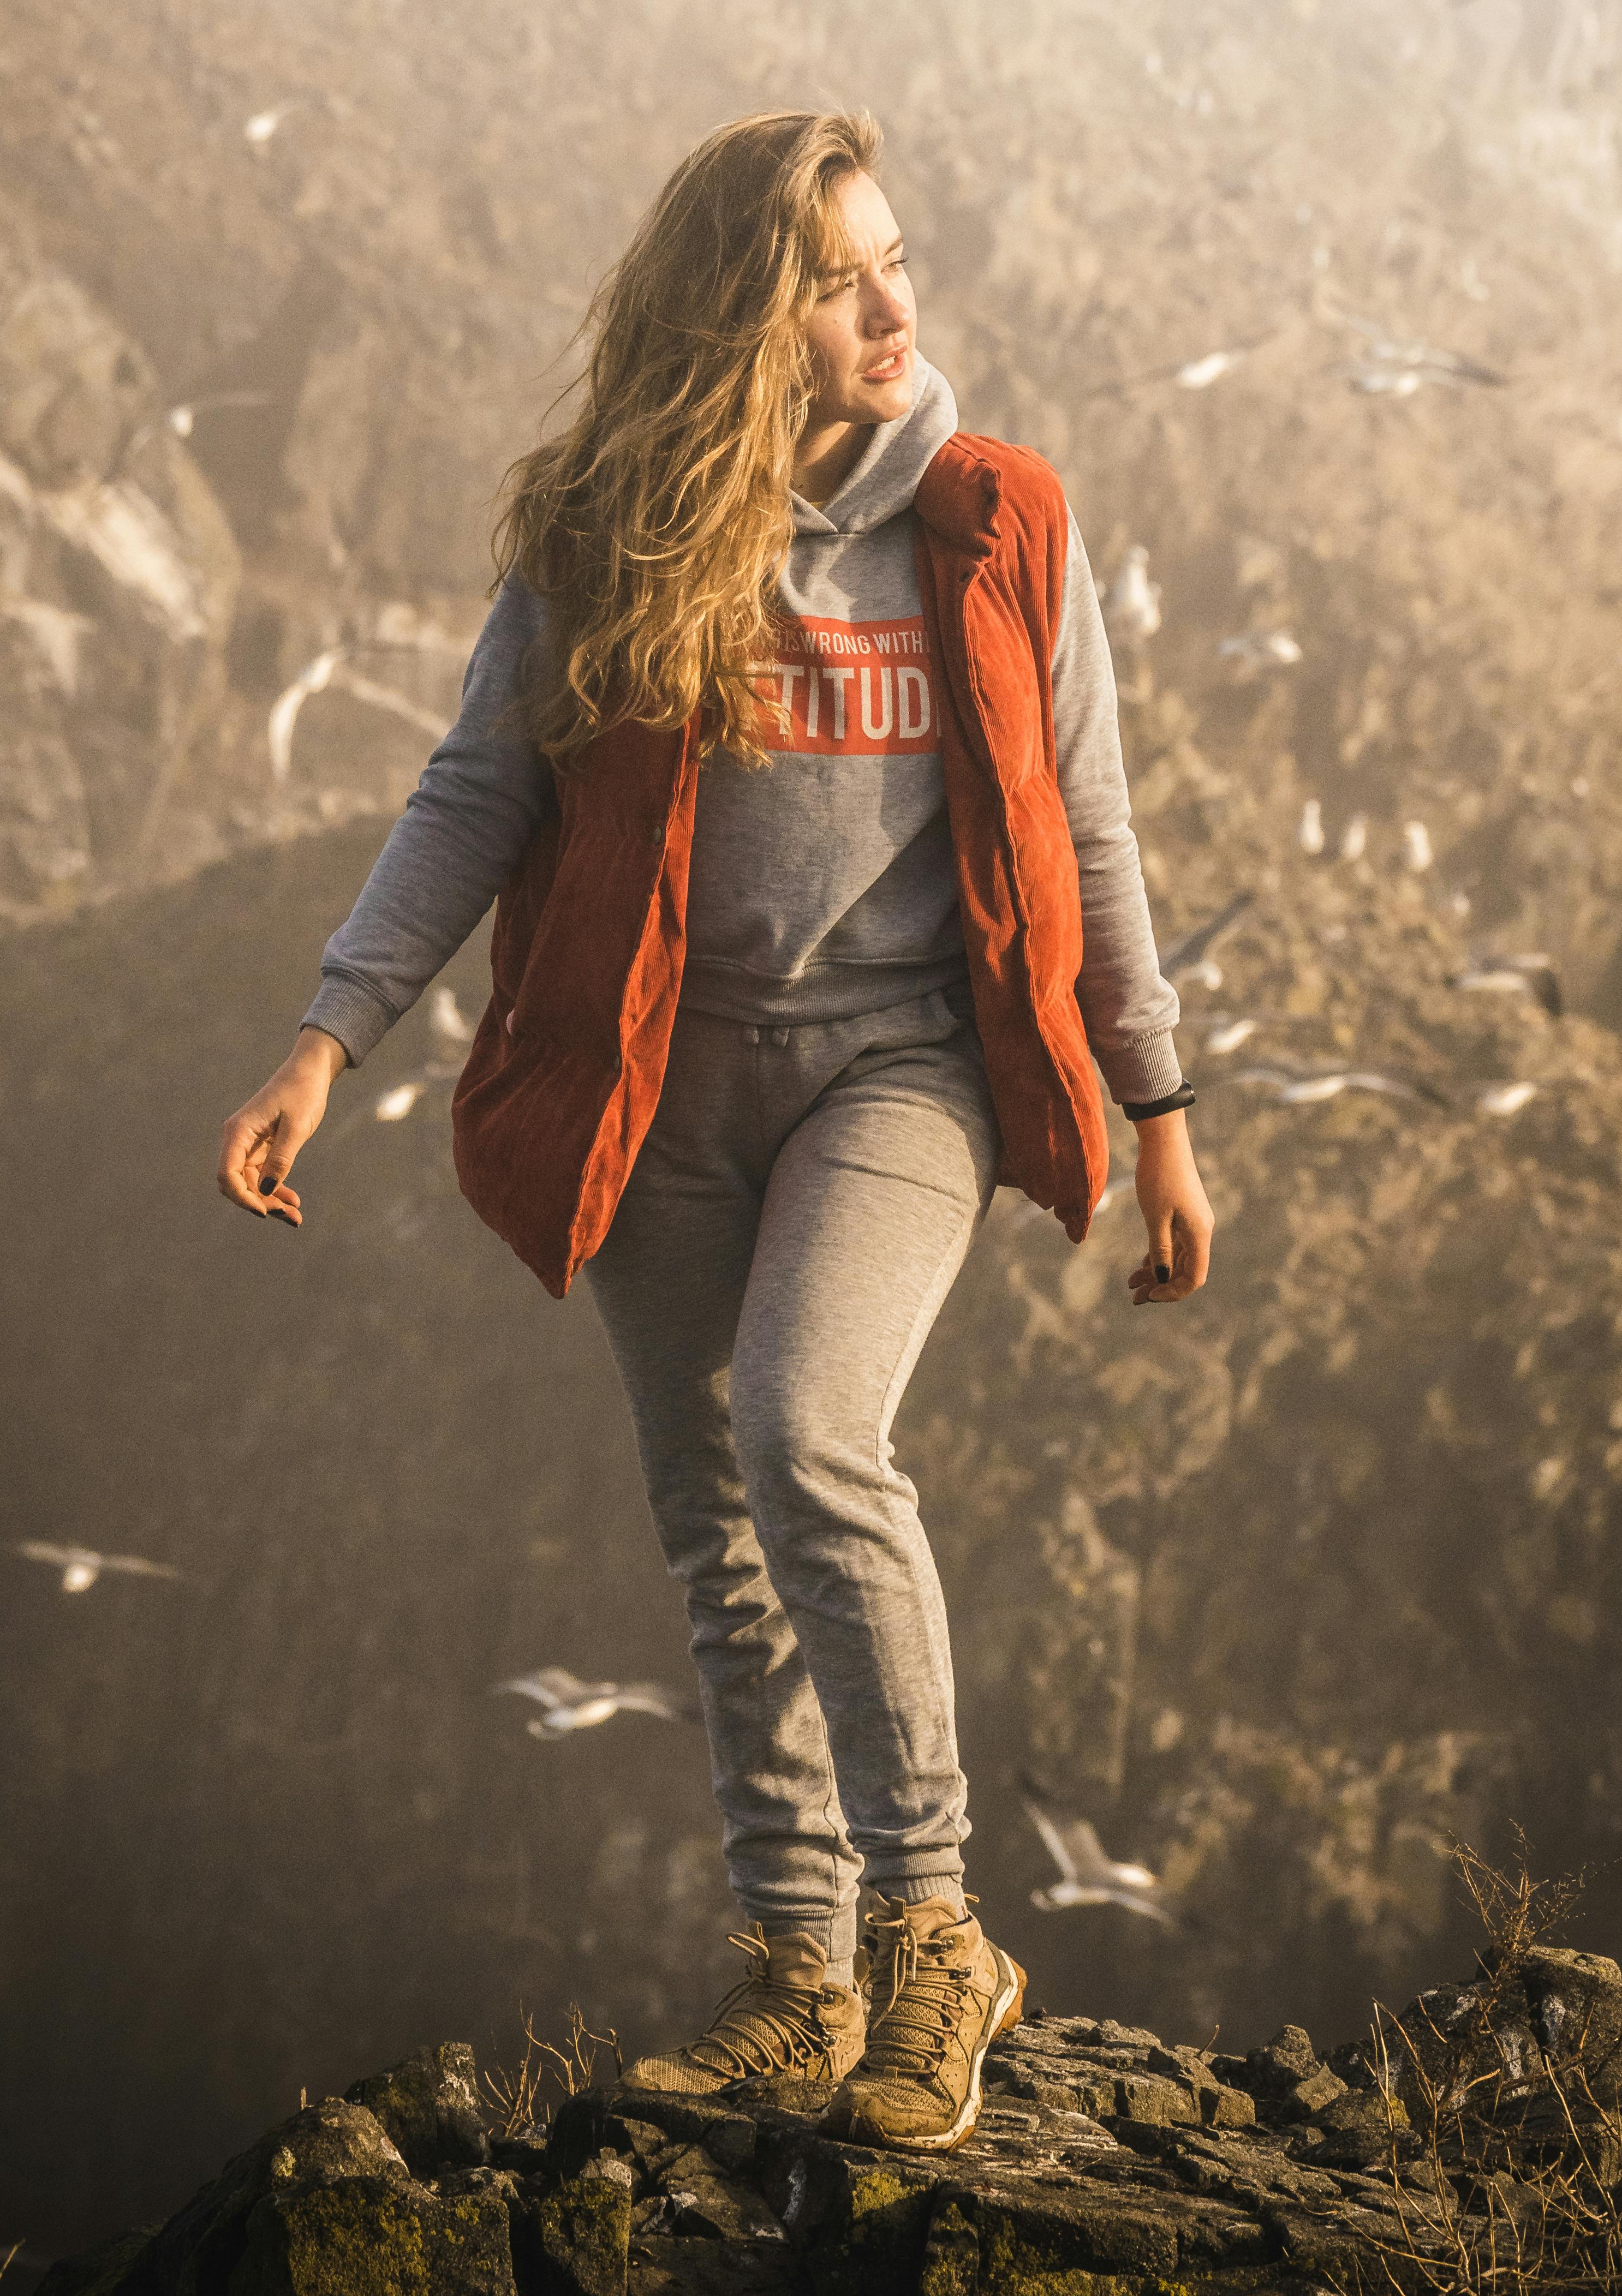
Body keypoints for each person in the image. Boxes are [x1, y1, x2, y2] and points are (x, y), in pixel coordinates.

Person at [217, 108, 1214, 2155]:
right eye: (839, 275)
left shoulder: (997, 514)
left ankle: (936, 1933)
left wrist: (1164, 1104)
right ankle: (796, 1970)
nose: (890, 303)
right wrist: (329, 1037)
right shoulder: (612, 529)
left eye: (897, 260)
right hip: (658, 1076)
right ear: (742, 316)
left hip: (900, 1069)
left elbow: (1088, 828)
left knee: (803, 1428)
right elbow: (473, 792)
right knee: (715, 1528)